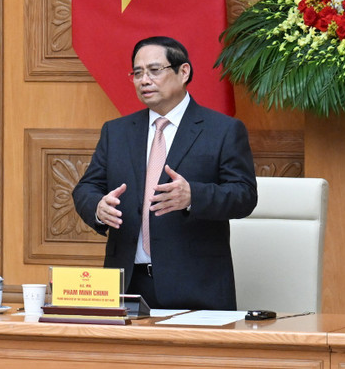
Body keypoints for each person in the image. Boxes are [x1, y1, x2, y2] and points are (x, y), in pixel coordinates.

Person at [72, 36, 257, 310]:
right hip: (126, 286)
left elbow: (244, 196)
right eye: (137, 73)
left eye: (154, 70)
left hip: (196, 288)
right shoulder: (117, 132)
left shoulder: (223, 130)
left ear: (183, 72)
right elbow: (85, 189)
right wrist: (99, 208)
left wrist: (194, 195)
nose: (144, 80)